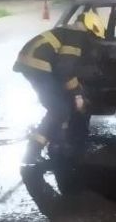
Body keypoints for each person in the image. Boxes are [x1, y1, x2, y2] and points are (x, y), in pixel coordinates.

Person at [13, 10, 107, 168]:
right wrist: (77, 95)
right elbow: (64, 70)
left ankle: (57, 144)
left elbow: (64, 70)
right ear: (90, 32)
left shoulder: (70, 32)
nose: (94, 43)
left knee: (62, 104)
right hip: (38, 66)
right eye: (95, 39)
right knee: (58, 110)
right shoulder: (76, 37)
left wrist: (75, 90)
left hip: (33, 63)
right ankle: (31, 153)